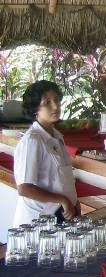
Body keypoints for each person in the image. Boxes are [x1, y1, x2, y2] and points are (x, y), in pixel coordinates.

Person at [13, 80, 79, 227]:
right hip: (39, 222)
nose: (55, 106)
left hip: (60, 215)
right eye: (47, 102)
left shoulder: (56, 136)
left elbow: (62, 177)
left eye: (56, 100)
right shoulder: (33, 140)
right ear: (35, 108)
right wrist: (63, 200)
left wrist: (74, 201)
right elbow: (24, 188)